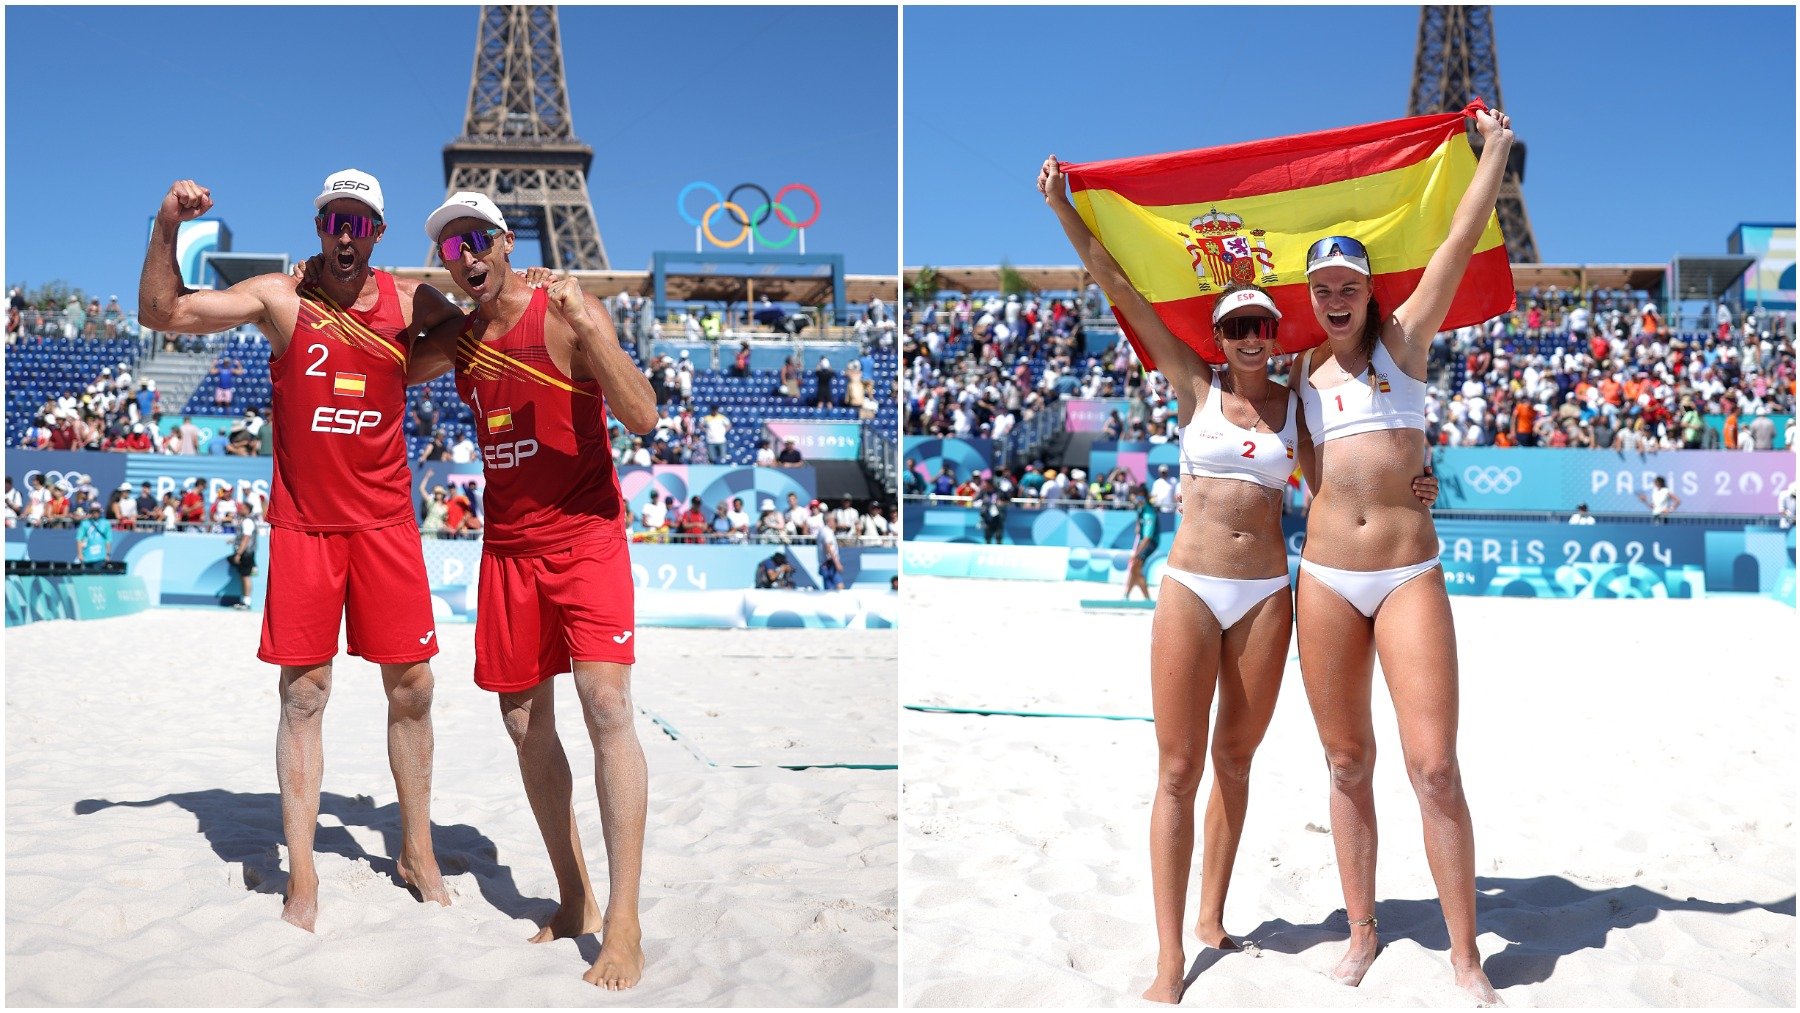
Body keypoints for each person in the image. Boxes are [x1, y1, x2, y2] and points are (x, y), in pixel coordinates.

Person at [1043, 155, 1432, 1004]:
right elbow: (1119, 283)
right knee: (1177, 770)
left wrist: (1422, 483)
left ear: (1274, 331)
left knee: (1236, 760)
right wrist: (1066, 211)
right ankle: (1169, 958)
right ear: (1217, 339)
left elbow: (1367, 454)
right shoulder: (1193, 388)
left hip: (1266, 595)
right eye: (1236, 328)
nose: (1252, 337)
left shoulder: (1300, 399)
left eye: (1262, 324)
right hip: (1190, 585)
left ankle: (1211, 916)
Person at [137, 172, 456, 930]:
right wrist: (164, 224)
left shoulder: (412, 302)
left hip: (384, 528)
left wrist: (531, 286)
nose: (346, 234)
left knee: (412, 689)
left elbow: (482, 332)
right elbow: (163, 310)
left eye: (361, 223)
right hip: (308, 529)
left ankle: (417, 850)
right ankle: (303, 874)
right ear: (320, 226)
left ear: (378, 233)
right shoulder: (283, 297)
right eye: (335, 220)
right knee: (304, 695)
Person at [1287, 108, 1514, 1004]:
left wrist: (1492, 150)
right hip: (1326, 580)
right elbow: (1312, 474)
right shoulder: (1301, 373)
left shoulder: (1405, 341)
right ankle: (1362, 930)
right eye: (1323, 285)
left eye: (1348, 281)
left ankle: (1466, 954)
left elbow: (1459, 237)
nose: (1336, 294)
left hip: (1409, 574)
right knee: (1346, 763)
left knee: (1434, 766)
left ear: (1370, 287)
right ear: (1310, 296)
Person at [407, 191, 658, 990]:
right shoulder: (459, 337)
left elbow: (644, 414)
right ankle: (575, 890)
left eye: (478, 240)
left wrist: (586, 327)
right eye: (452, 248)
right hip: (509, 548)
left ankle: (623, 921)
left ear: (508, 241)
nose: (467, 255)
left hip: (585, 536)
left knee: (606, 704)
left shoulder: (564, 311)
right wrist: (414, 297)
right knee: (523, 722)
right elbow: (393, 365)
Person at [231, 505, 260, 609]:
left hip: (246, 553)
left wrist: (239, 553)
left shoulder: (247, 521)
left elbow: (246, 539)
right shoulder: (247, 521)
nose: (240, 509)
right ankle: (244, 600)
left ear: (247, 510)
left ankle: (246, 602)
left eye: (242, 508)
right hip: (247, 552)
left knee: (246, 576)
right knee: (243, 576)